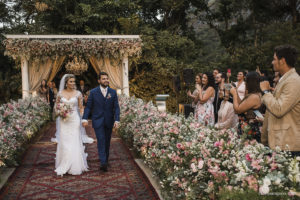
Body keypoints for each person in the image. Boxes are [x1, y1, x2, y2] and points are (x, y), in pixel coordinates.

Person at [260, 45, 300, 156]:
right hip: (279, 144)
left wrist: (265, 92)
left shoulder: (293, 81)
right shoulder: (285, 79)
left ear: (282, 61)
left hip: (288, 146)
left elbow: (279, 109)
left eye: (274, 59)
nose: (272, 62)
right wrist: (264, 140)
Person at [82, 72, 120, 172]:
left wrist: (117, 119)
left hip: (109, 120)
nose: (106, 80)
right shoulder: (93, 92)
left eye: (107, 78)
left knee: (107, 142)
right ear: (99, 80)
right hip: (97, 120)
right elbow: (89, 106)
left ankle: (105, 160)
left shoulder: (113, 92)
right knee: (101, 140)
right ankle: (103, 162)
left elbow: (116, 107)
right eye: (103, 79)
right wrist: (85, 118)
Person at [54, 74, 88, 176]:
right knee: (64, 142)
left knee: (74, 140)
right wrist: (60, 112)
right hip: (64, 120)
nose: (73, 83)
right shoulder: (60, 94)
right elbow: (56, 106)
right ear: (66, 83)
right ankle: (64, 163)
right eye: (71, 82)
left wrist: (83, 118)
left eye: (74, 81)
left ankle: (75, 165)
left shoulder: (78, 94)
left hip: (74, 120)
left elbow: (81, 107)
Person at [230, 72, 262, 142]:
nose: (245, 83)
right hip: (245, 127)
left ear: (251, 82)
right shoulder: (253, 94)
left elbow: (237, 110)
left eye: (246, 81)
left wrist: (234, 94)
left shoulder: (254, 97)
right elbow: (241, 104)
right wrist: (236, 91)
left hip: (248, 129)